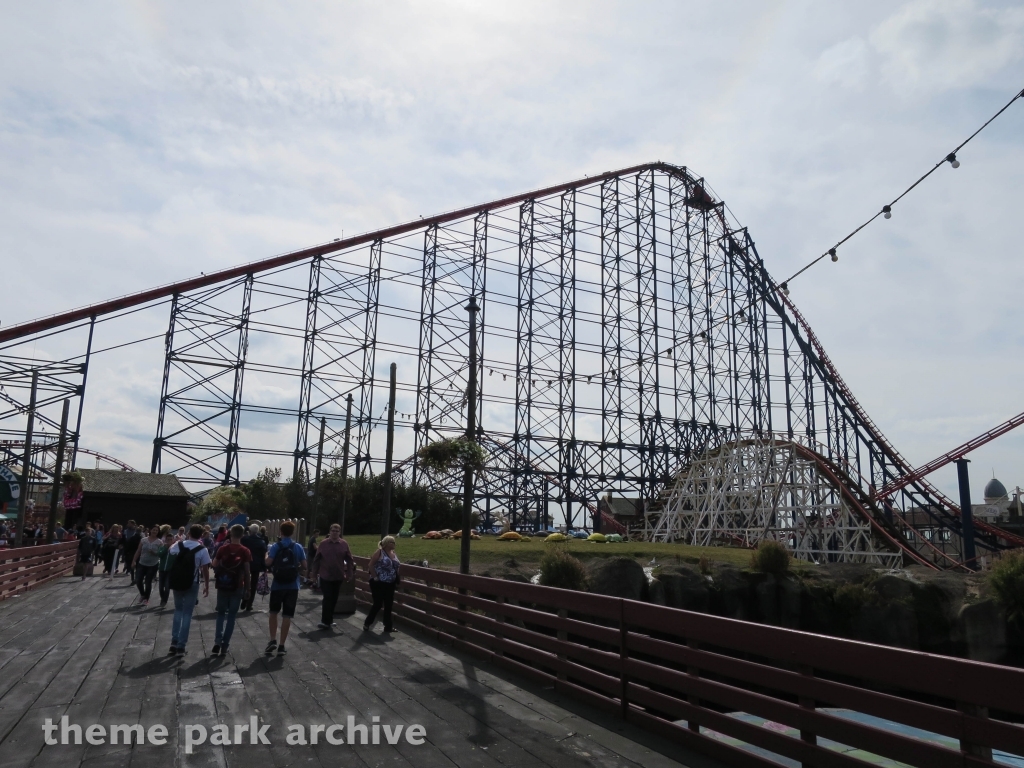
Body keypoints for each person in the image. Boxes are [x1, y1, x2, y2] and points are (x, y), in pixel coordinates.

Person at [167, 524, 212, 656]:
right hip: (192, 582)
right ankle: (181, 645)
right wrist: (207, 585)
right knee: (187, 613)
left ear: (189, 533)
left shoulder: (179, 545)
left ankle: (174, 642)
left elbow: (170, 551)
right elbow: (205, 569)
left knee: (178, 610)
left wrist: (177, 542)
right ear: (201, 535)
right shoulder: (202, 549)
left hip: (178, 580)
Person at [264, 520, 306, 656]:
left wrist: (266, 555)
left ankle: (272, 640)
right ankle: (282, 645)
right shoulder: (298, 547)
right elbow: (304, 565)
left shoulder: (276, 546)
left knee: (273, 612)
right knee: (287, 615)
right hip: (293, 585)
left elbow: (268, 562)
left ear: (280, 532)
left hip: (277, 584)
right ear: (292, 532)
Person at [211, 524, 252, 656]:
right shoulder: (245, 551)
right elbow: (247, 572)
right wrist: (248, 588)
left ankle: (217, 641)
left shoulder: (223, 549)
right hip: (237, 585)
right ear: (242, 535)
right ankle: (225, 645)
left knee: (221, 614)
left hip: (223, 584)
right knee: (232, 616)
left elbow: (214, 564)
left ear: (230, 533)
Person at [310, 523, 354, 629]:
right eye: (333, 531)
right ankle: (325, 621)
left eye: (337, 531)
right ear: (330, 532)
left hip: (338, 575)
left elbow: (349, 559)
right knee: (327, 597)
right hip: (325, 575)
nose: (334, 533)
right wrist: (314, 574)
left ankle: (329, 620)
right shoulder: (323, 544)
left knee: (334, 598)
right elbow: (316, 560)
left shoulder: (344, 544)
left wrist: (349, 573)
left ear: (340, 532)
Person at [364, 535, 400, 633]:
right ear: (386, 543)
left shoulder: (393, 553)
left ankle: (388, 626)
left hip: (390, 583)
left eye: (394, 542)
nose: (394, 544)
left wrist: (397, 578)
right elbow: (370, 565)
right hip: (378, 582)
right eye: (391, 542)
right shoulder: (379, 552)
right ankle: (368, 623)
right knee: (378, 604)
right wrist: (375, 577)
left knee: (389, 604)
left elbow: (396, 567)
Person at [240, 524, 268, 611]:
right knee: (254, 584)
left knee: (244, 582)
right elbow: (263, 555)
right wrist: (264, 567)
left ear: (250, 531)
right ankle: (249, 604)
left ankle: (244, 599)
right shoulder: (261, 541)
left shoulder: (244, 540)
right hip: (257, 565)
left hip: (245, 563)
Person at [132, 526, 162, 605]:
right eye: (153, 529)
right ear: (150, 530)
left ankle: (146, 598)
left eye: (156, 530)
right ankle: (142, 594)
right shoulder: (143, 540)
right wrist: (134, 561)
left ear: (158, 532)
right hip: (142, 563)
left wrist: (154, 553)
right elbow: (138, 551)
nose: (154, 531)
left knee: (148, 582)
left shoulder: (159, 542)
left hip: (153, 564)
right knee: (138, 580)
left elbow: (160, 554)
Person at [157, 531, 175, 606]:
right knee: (161, 587)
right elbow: (159, 554)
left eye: (171, 539)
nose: (169, 541)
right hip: (161, 569)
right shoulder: (162, 547)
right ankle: (162, 598)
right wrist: (165, 548)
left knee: (167, 587)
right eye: (168, 539)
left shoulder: (175, 549)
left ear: (173, 540)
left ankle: (164, 601)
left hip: (170, 570)